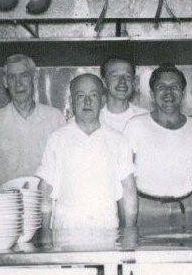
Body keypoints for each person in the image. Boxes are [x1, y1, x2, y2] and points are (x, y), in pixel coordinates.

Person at [35, 74, 137, 229]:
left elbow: (128, 190)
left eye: (93, 96)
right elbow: (45, 189)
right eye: (81, 96)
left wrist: (129, 231)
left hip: (106, 230)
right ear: (71, 102)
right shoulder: (57, 138)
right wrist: (44, 234)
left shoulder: (118, 140)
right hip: (66, 230)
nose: (87, 102)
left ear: (102, 101)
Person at [123, 63, 192, 228]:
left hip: (187, 209)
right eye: (161, 87)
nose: (168, 92)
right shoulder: (136, 125)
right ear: (152, 94)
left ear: (183, 93)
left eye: (174, 86)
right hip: (146, 210)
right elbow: (125, 178)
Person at [0, 54, 66, 191]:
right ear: (6, 82)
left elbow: (65, 169)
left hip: (46, 201)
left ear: (34, 79)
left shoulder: (56, 119)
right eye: (12, 77)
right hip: (7, 204)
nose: (18, 83)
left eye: (24, 76)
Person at [98, 57, 148, 132]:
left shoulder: (145, 118)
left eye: (128, 76)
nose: (122, 81)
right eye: (115, 76)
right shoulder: (95, 118)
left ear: (133, 82)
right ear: (104, 82)